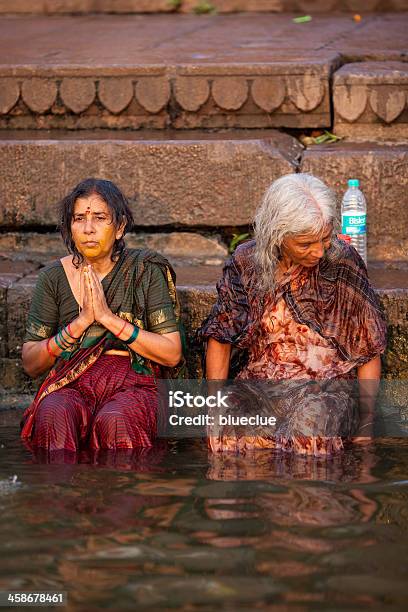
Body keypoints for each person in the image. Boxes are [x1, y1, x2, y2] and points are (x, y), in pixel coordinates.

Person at [198, 173, 387, 456]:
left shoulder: (342, 261)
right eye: (306, 244)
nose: (320, 252)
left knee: (309, 430)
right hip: (260, 385)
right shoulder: (246, 262)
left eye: (324, 239)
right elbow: (221, 336)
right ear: (278, 235)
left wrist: (365, 427)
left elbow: (368, 348)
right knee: (227, 430)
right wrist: (213, 408)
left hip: (326, 390)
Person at [21, 178, 183, 452]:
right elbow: (31, 363)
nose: (88, 229)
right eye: (79, 219)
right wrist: (80, 323)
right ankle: (57, 492)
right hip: (72, 380)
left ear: (119, 227)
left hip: (134, 383)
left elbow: (172, 353)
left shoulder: (144, 270)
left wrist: (107, 318)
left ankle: (123, 491)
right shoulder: (53, 277)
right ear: (69, 227)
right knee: (53, 415)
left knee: (116, 421)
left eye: (99, 218)